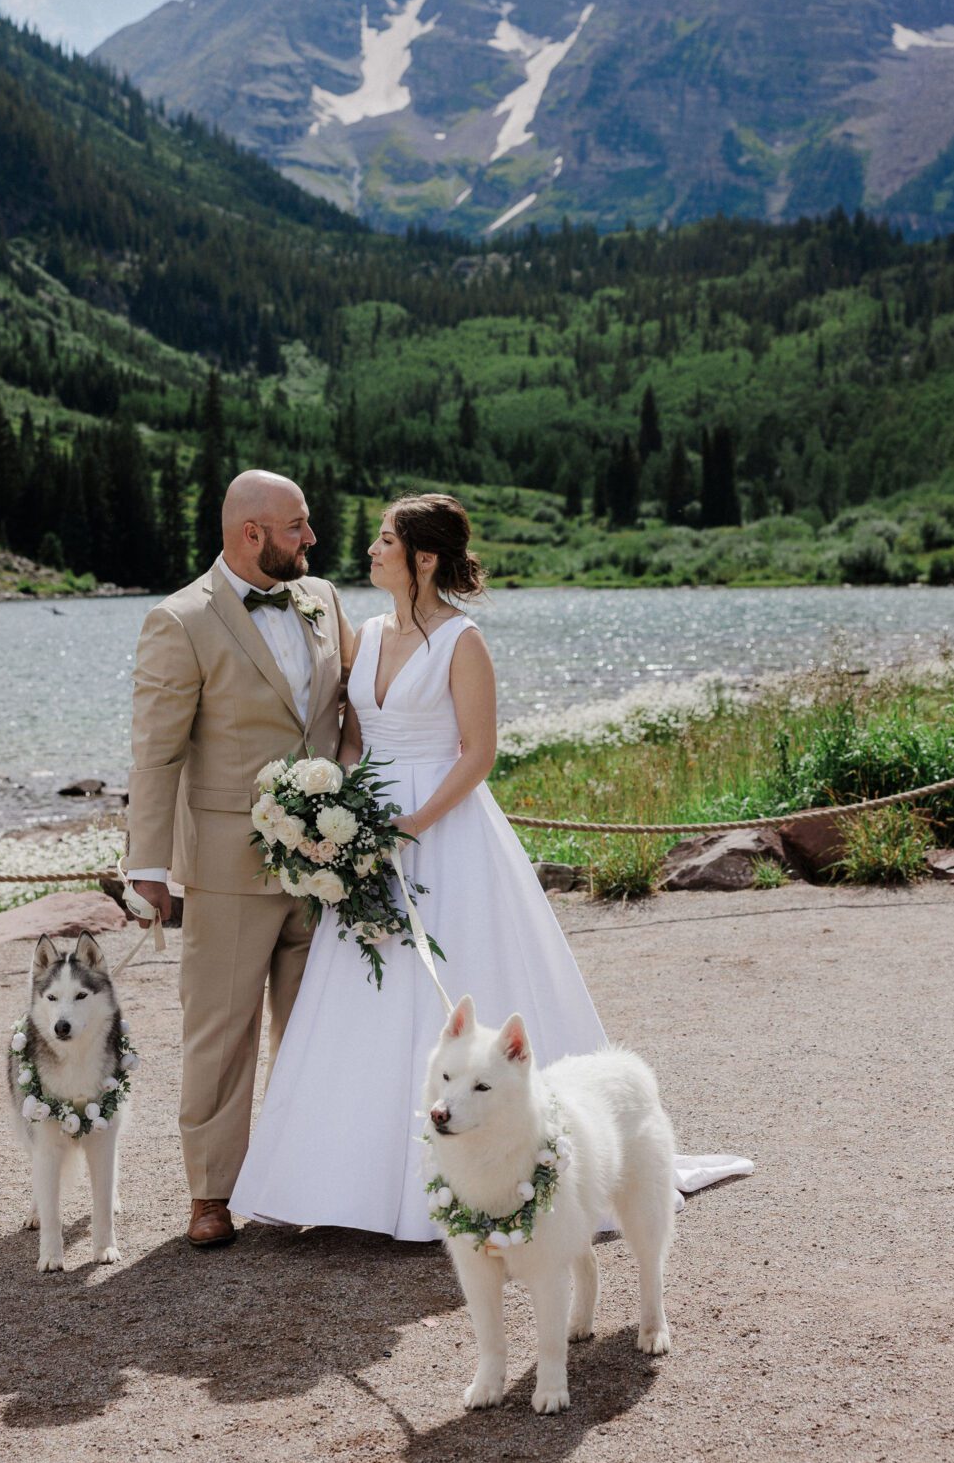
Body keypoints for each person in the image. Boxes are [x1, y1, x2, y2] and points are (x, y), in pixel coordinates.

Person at [232, 492, 751, 1240]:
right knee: (361, 1001)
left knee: (460, 979)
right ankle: (350, 1190)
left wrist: (411, 824)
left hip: (448, 834)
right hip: (371, 833)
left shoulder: (462, 642)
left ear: (424, 559)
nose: (371, 550)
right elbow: (352, 740)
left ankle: (498, 1179)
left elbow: (478, 756)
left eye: (385, 541)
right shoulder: (367, 635)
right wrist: (334, 818)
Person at [127, 470, 353, 1247]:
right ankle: (211, 1196)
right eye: (298, 526)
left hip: (326, 859)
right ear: (251, 533)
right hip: (227, 866)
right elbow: (155, 755)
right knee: (221, 1032)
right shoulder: (179, 620)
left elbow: (347, 711)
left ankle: (310, 1179)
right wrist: (146, 868)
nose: (312, 539)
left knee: (316, 1027)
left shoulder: (324, 599)